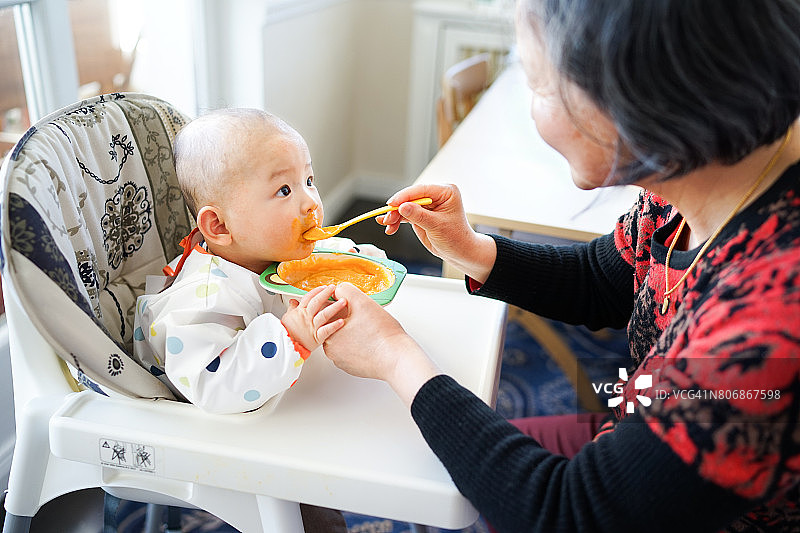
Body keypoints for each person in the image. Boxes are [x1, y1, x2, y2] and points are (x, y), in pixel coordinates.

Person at [315, 1, 800, 531]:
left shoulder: (771, 324)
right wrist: (471, 247)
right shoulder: (700, 169)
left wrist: (393, 354)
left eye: (540, 85)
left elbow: (565, 512)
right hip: (641, 427)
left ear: (634, 97)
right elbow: (605, 278)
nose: (532, 108)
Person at [133, 108, 367, 415]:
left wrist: (359, 261)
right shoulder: (205, 299)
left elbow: (326, 253)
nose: (311, 201)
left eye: (309, 180)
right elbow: (213, 386)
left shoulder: (270, 248)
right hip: (191, 426)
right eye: (284, 190)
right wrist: (293, 337)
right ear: (219, 226)